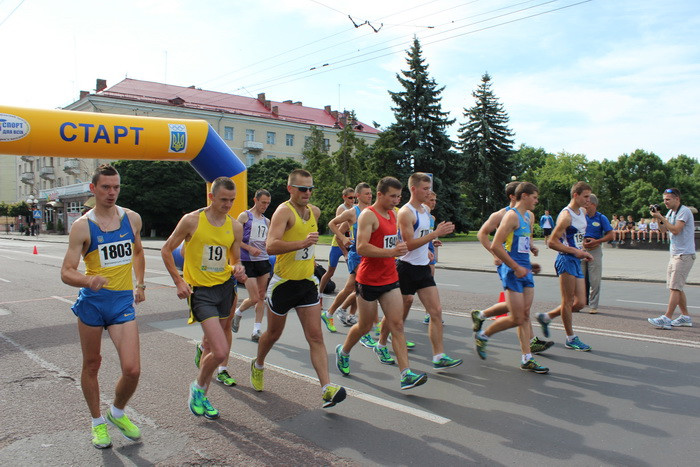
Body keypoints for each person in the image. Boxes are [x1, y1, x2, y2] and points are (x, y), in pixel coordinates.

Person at [60, 164, 145, 449]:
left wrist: (140, 284)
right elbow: (66, 271)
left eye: (116, 187)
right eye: (106, 187)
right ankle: (97, 424)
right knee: (92, 364)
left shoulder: (132, 219)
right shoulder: (83, 226)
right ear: (93, 189)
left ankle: (117, 412)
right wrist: (88, 279)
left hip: (122, 302)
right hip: (93, 305)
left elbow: (138, 251)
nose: (112, 192)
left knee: (132, 370)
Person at [251, 169, 346, 408]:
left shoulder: (313, 211)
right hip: (283, 285)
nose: (308, 193)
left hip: (306, 284)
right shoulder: (284, 211)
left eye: (311, 188)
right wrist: (301, 244)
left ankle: (326, 387)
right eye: (303, 188)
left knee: (315, 336)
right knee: (273, 334)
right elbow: (270, 246)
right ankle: (259, 363)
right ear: (290, 189)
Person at [161, 177, 246, 419]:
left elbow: (235, 258)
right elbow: (166, 249)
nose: (228, 205)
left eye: (231, 200)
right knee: (220, 352)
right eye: (223, 200)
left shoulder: (234, 227)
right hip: (201, 293)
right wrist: (178, 281)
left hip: (225, 290)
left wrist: (238, 267)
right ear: (211, 197)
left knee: (209, 346)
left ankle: (203, 397)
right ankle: (197, 388)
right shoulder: (191, 220)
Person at [334, 176, 428, 390]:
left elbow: (393, 241)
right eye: (392, 196)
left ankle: (406, 374)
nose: (396, 200)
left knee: (396, 325)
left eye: (399, 196)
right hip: (368, 280)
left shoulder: (394, 214)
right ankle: (344, 351)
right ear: (380, 194)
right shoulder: (369, 215)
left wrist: (404, 247)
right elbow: (361, 248)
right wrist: (391, 252)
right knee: (365, 326)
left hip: (390, 277)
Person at [375, 172, 462, 370]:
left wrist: (431, 245)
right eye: (425, 189)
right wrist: (435, 234)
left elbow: (421, 237)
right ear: (413, 189)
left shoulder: (425, 210)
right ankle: (381, 344)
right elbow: (409, 244)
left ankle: (439, 356)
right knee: (397, 314)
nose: (428, 192)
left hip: (422, 268)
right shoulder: (406, 212)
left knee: (436, 311)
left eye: (429, 188)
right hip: (406, 268)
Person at [474, 182, 548, 373]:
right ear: (524, 196)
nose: (536, 201)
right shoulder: (510, 216)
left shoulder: (527, 216)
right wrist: (515, 266)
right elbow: (496, 245)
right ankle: (484, 335)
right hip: (513, 270)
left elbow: (520, 243)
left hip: (525, 268)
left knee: (524, 315)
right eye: (534, 197)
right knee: (517, 317)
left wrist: (530, 259)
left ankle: (527, 358)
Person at [536, 181, 594, 351]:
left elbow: (576, 236)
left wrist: (583, 246)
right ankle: (571, 338)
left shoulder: (581, 211)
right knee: (568, 302)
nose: (588, 200)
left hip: (577, 259)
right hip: (566, 259)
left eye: (589, 196)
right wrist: (576, 251)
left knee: (581, 303)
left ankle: (547, 317)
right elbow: (552, 242)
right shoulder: (565, 216)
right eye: (585, 196)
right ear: (575, 195)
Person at [322, 182, 373, 331]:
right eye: (366, 193)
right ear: (358, 196)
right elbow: (333, 224)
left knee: (353, 287)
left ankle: (332, 312)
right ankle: (372, 325)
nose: (370, 196)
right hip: (356, 255)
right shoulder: (352, 212)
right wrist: (343, 239)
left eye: (371, 193)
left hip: (367, 255)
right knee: (366, 286)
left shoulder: (371, 211)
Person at [647, 188, 696, 329]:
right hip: (674, 254)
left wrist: (661, 217)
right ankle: (685, 317)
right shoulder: (670, 212)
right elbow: (663, 230)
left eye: (668, 199)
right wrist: (658, 218)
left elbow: (675, 229)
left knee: (675, 287)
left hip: (684, 255)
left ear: (677, 199)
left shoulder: (684, 211)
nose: (665, 202)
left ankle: (667, 318)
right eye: (664, 199)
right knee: (675, 288)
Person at [232, 189, 272, 342]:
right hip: (248, 261)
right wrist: (249, 248)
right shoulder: (244, 216)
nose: (265, 206)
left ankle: (257, 330)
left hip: (263, 260)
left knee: (262, 296)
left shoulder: (266, 221)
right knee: (254, 297)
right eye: (263, 202)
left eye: (268, 203)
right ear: (255, 200)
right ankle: (238, 312)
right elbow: (236, 239)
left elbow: (267, 240)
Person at [318, 187, 355, 302]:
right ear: (344, 197)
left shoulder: (355, 209)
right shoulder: (341, 208)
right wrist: (344, 239)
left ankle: (353, 299)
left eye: (354, 197)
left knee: (353, 273)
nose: (352, 200)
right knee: (330, 272)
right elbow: (337, 228)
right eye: (350, 198)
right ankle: (319, 294)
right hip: (337, 244)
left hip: (349, 243)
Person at [582, 194, 614, 314]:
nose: (585, 204)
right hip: (581, 249)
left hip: (594, 250)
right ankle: (578, 302)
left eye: (587, 202)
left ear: (593, 204)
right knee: (579, 277)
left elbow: (611, 234)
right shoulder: (580, 216)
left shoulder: (601, 218)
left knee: (594, 279)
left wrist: (597, 241)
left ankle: (593, 305)